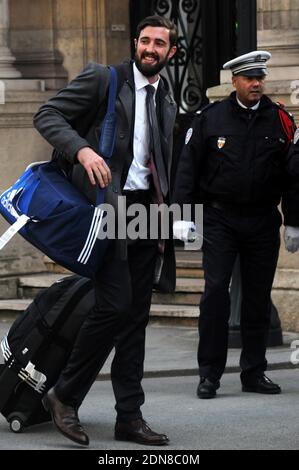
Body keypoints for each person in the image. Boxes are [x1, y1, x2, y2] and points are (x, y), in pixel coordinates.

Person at [34, 15, 177, 446]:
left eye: (160, 44)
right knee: (114, 306)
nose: (151, 49)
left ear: (171, 53)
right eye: (146, 41)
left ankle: (129, 417)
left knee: (135, 318)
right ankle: (64, 394)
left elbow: (160, 161)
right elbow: (48, 114)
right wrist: (82, 151)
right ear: (136, 43)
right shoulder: (105, 78)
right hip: (108, 207)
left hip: (146, 213)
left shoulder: (166, 95)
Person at [173, 51, 298, 399]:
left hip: (261, 219)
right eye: (249, 78)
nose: (256, 83)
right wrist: (181, 216)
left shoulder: (280, 120)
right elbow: (187, 168)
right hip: (220, 218)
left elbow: (293, 176)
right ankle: (209, 374)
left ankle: (254, 372)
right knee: (215, 294)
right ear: (235, 81)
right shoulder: (210, 119)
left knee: (257, 298)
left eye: (260, 77)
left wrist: (294, 222)